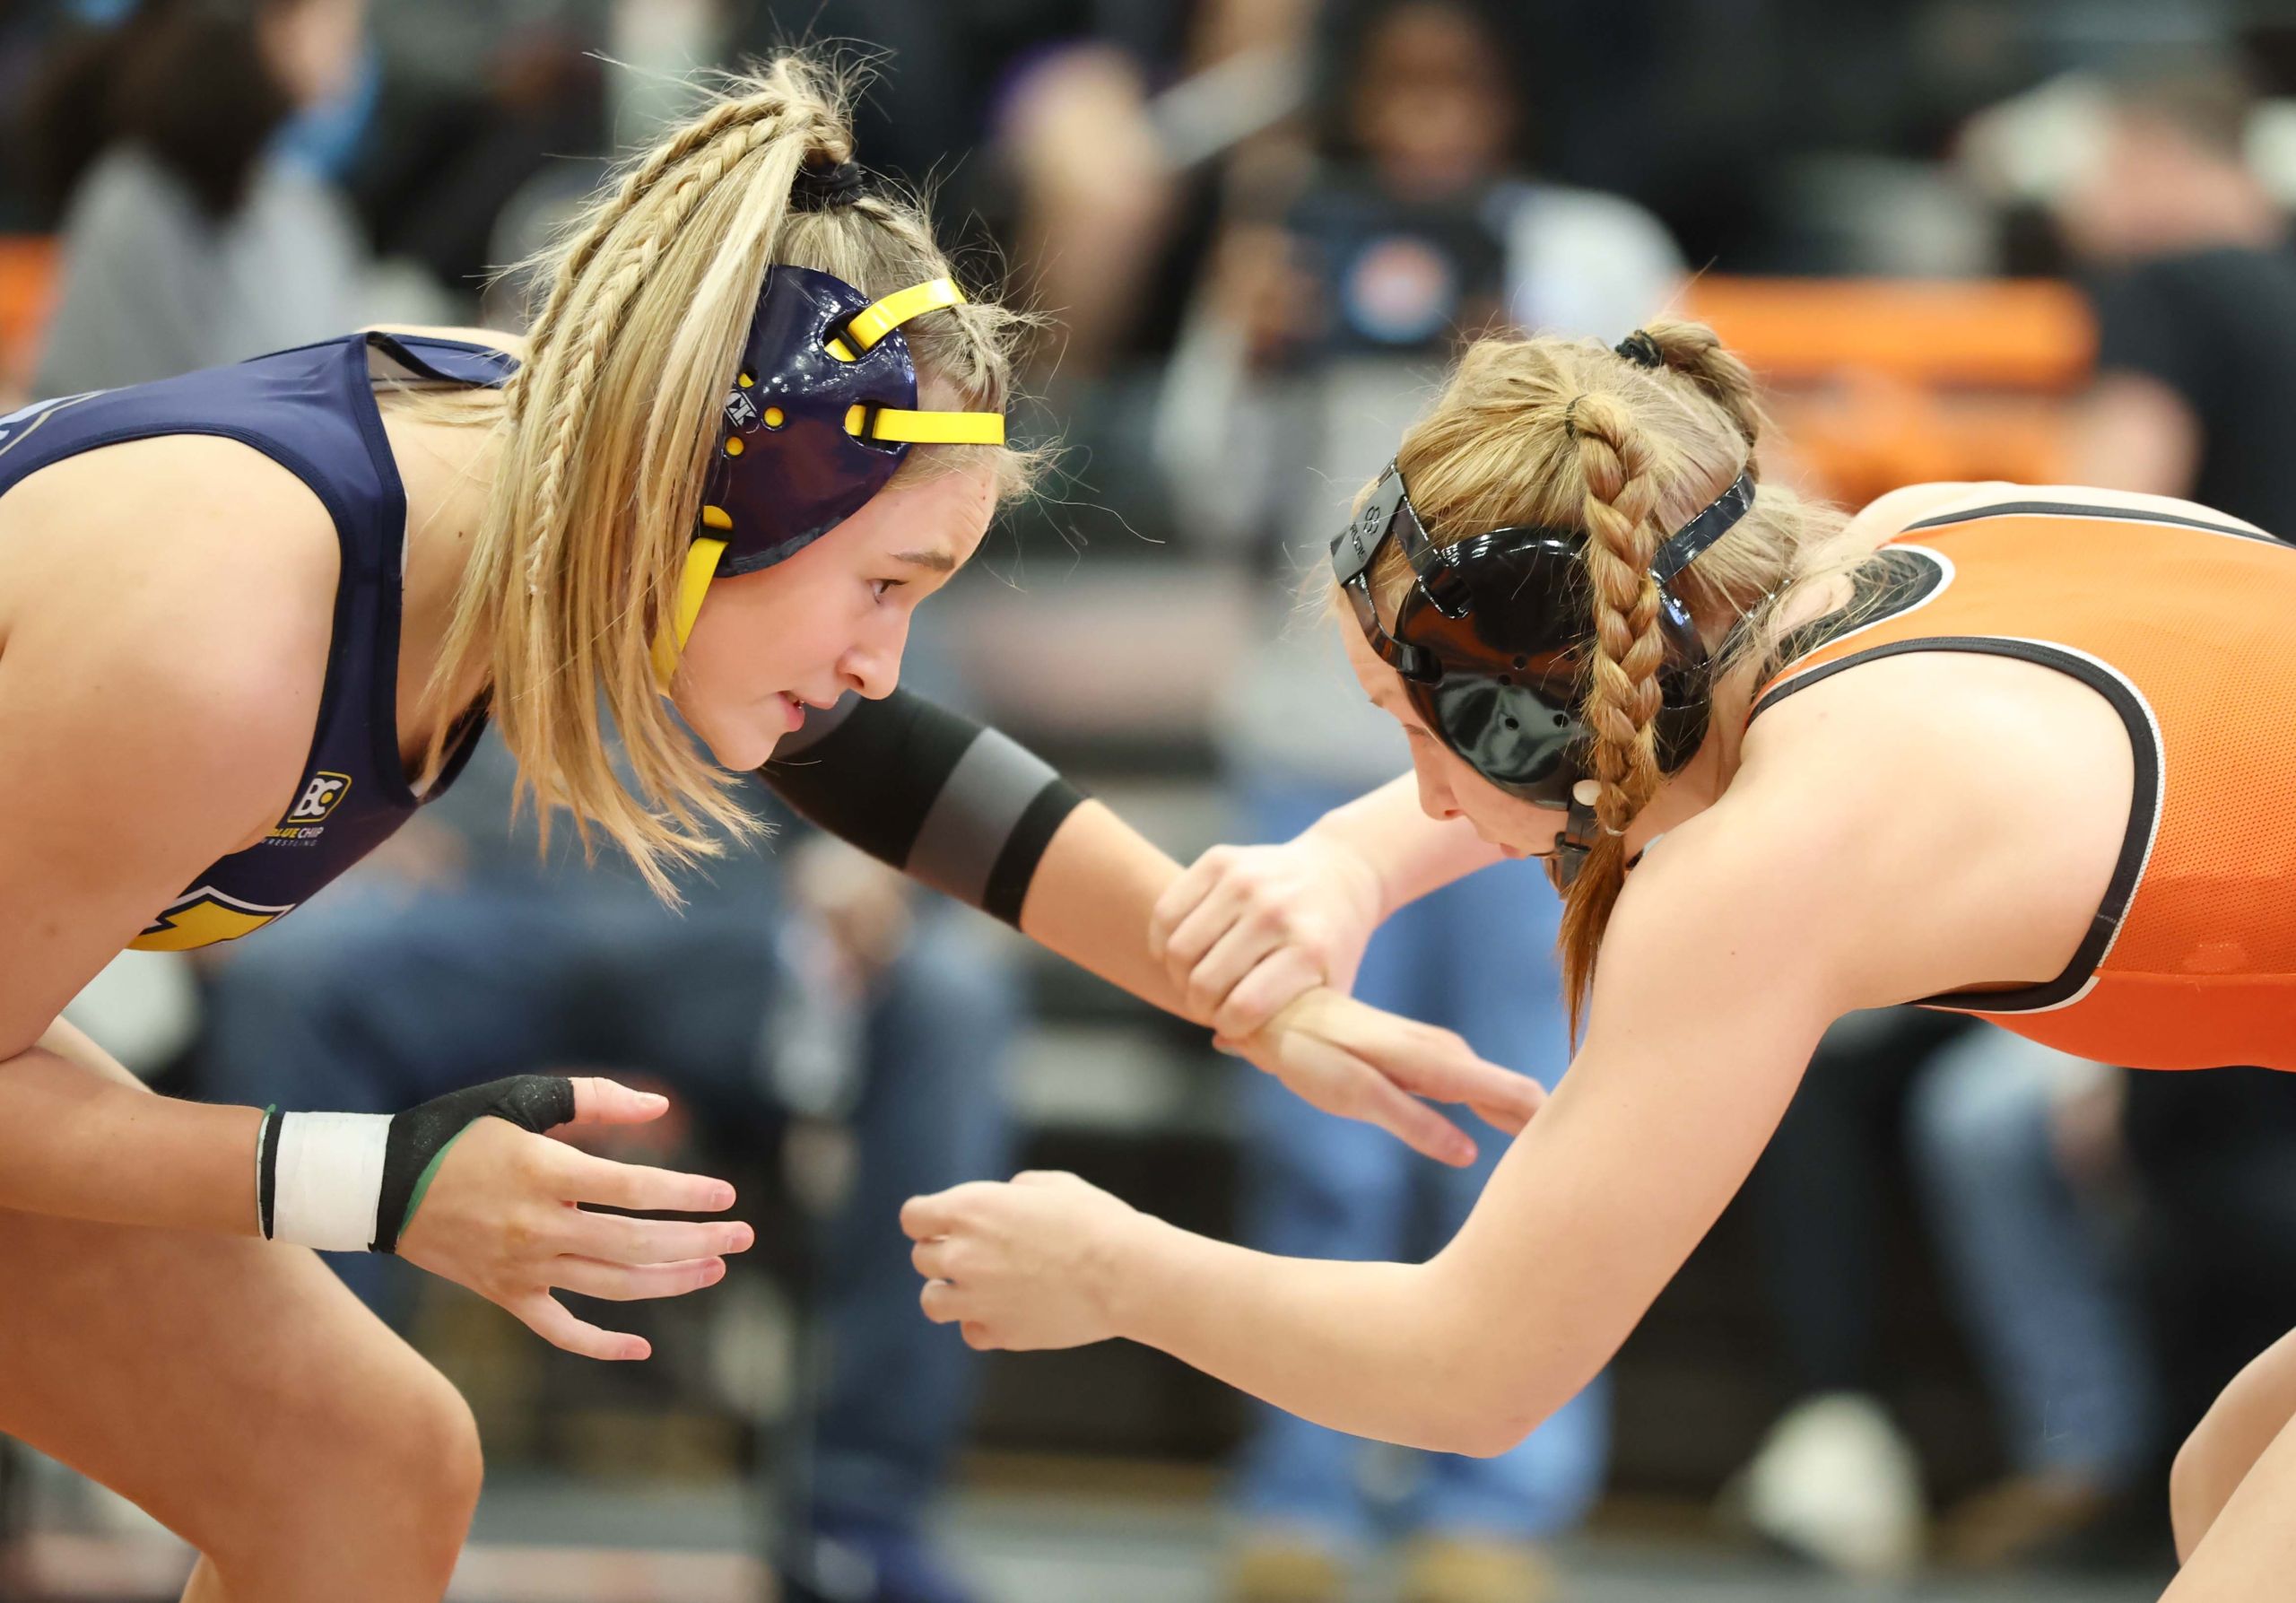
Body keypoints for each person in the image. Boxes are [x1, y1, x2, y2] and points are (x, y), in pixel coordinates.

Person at [0, 56, 1542, 1602]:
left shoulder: (582, 464)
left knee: (357, 1468)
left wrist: (1255, 1000)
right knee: (353, 1459)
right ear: (714, 498)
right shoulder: (216, 643)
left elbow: (894, 769)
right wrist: (384, 1184)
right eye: (883, 587)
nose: (880, 663)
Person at [901, 318, 2296, 1601]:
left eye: (1418, 729)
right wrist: (1350, 859)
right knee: (2226, 1474)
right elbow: (1633, 721)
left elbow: (1476, 1368)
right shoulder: (1929, 530)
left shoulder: (1770, 861)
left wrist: (1118, 1273)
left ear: (1524, 721)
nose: (1425, 793)